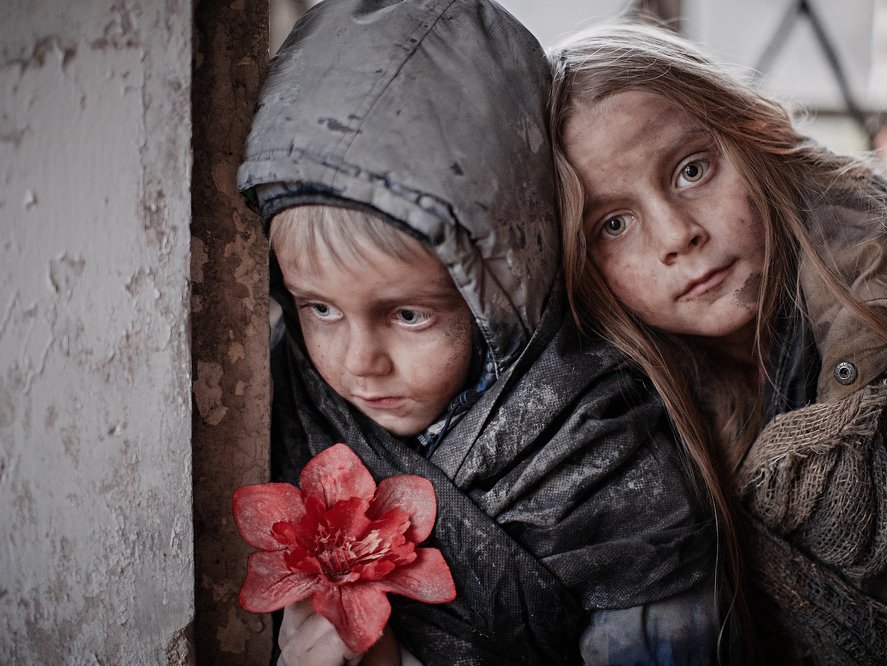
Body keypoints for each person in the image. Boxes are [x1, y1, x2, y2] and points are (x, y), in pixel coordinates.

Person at [237, 1, 723, 664]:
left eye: (409, 315)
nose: (359, 362)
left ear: (500, 291)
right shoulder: (273, 408)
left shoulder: (611, 461)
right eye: (318, 309)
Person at [547, 19, 887, 665]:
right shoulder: (597, 417)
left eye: (693, 170)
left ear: (753, 137)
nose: (677, 234)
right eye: (613, 224)